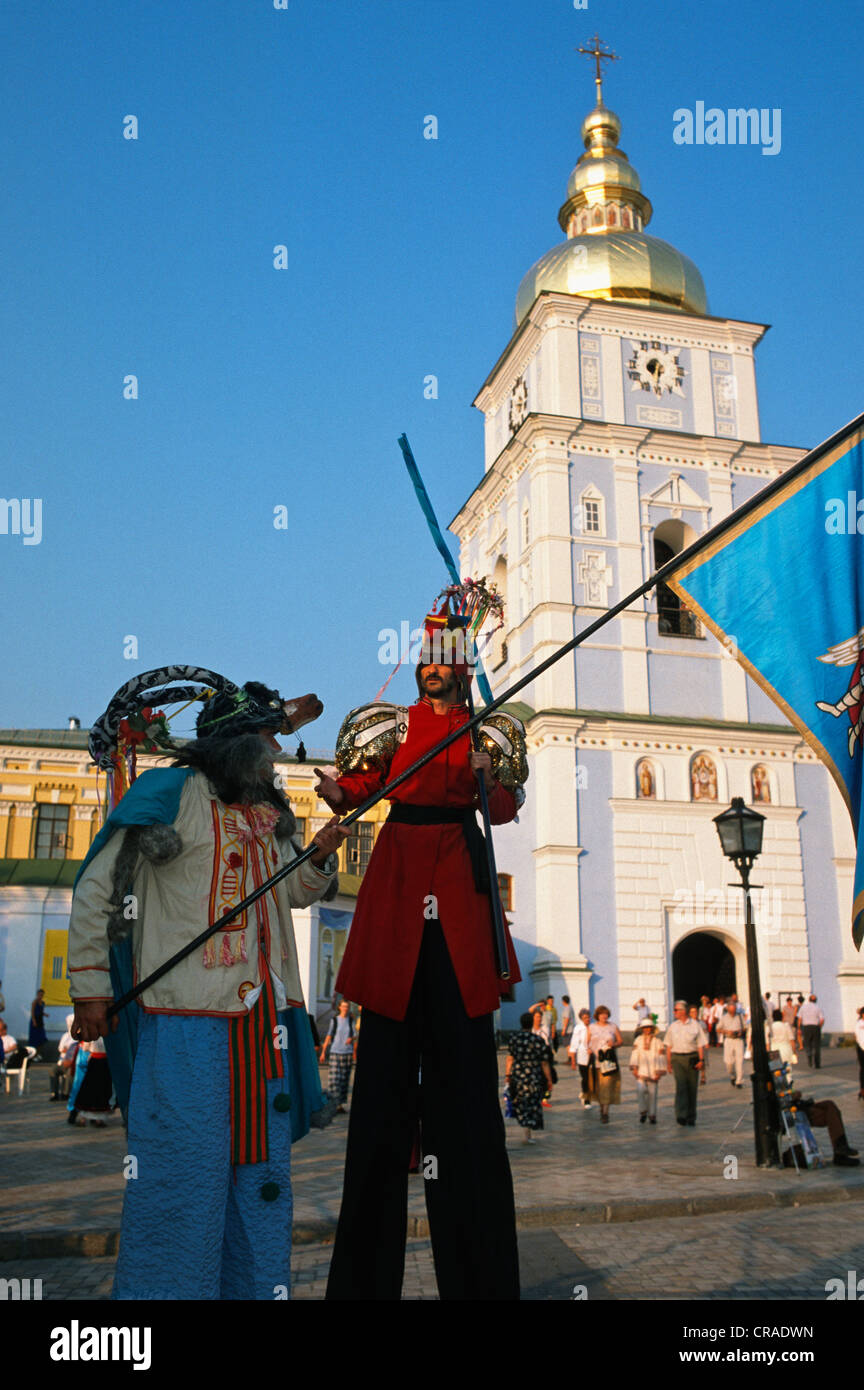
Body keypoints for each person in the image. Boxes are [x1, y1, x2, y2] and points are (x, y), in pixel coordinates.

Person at [68, 668, 344, 1300]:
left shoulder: (269, 812)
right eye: (268, 740)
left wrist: (320, 856)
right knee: (182, 1179)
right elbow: (98, 887)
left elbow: (295, 892)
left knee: (257, 1183)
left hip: (265, 1025)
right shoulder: (168, 793)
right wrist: (90, 987)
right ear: (236, 744)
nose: (276, 753)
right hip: (186, 1020)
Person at [318, 593, 528, 1301]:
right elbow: (358, 785)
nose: (432, 670)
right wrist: (335, 790)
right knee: (379, 1096)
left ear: (463, 666)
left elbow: (501, 808)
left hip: (460, 893)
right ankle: (361, 1285)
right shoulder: (391, 726)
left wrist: (486, 770)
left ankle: (479, 1280)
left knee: (464, 1099)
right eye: (425, 659)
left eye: (445, 660)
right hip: (400, 880)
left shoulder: (485, 732)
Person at [506, 1012, 554, 1144]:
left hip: (518, 1075)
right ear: (532, 1022)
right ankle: (528, 1132)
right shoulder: (536, 1040)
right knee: (532, 1102)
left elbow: (510, 1058)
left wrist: (507, 1075)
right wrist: (549, 1079)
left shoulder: (514, 1039)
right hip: (533, 1075)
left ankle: (526, 1129)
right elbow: (544, 1062)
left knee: (521, 1101)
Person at [664, 1000, 705, 1125]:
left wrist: (701, 1060)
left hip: (692, 1057)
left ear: (683, 1011)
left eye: (676, 1010)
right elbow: (668, 1046)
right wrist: (669, 1062)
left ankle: (691, 1116)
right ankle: (681, 1114)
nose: (674, 1012)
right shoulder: (673, 1026)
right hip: (677, 1058)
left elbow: (700, 1044)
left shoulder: (695, 1025)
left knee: (692, 1087)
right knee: (681, 1086)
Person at [587, 1005, 622, 1124]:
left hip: (608, 1062)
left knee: (606, 1087)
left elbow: (620, 1041)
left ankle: (605, 1113)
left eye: (606, 1014)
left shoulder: (613, 1026)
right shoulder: (591, 1027)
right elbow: (587, 1043)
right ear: (597, 1015)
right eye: (602, 1014)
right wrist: (588, 1050)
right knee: (599, 1088)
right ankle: (602, 1108)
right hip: (596, 1062)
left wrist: (614, 1044)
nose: (604, 1016)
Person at [320, 1000, 356, 1113]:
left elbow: (355, 1034)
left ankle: (339, 1105)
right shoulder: (334, 1020)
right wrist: (323, 1052)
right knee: (334, 1080)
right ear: (339, 1007)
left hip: (347, 1053)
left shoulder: (351, 1021)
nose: (345, 1008)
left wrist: (352, 1039)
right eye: (343, 1006)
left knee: (344, 1080)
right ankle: (332, 1104)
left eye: (347, 1006)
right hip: (335, 1052)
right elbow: (329, 1035)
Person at [629, 1017, 664, 1124]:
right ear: (642, 1029)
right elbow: (635, 1053)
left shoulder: (658, 1041)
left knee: (653, 1093)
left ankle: (652, 1115)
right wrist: (634, 1067)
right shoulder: (638, 1040)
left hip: (653, 1069)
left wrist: (659, 1071)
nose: (647, 1029)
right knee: (640, 1090)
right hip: (641, 1069)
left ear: (652, 1028)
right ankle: (643, 1111)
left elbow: (661, 1056)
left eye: (649, 1027)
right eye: (645, 1028)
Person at [715, 999, 746, 1087]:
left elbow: (745, 1027)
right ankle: (732, 1075)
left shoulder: (740, 1016)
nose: (733, 1012)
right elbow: (717, 1029)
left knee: (739, 1061)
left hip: (738, 1040)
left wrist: (741, 1031)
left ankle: (739, 1081)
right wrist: (726, 1032)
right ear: (728, 1009)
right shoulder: (724, 1018)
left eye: (734, 1010)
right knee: (729, 1062)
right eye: (731, 1010)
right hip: (728, 1040)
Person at [568, 1008, 594, 1107]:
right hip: (582, 1056)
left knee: (592, 1077)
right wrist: (573, 1061)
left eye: (588, 1017)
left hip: (593, 1055)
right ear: (581, 1019)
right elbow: (574, 1044)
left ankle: (585, 1093)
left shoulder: (593, 1027)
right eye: (584, 1018)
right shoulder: (578, 1028)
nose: (587, 1019)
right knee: (585, 1078)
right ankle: (586, 1099)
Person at [50, 1013, 77, 1101]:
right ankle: (54, 1093)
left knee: (70, 1072)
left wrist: (67, 1049)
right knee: (53, 1070)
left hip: (73, 1062)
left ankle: (66, 1093)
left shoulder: (78, 1036)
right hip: (63, 1060)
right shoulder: (65, 1036)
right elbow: (61, 1048)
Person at [797, 995, 825, 1068]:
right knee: (816, 1046)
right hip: (815, 1027)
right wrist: (819, 1027)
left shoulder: (803, 1007)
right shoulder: (818, 1007)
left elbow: (799, 1019)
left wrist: (799, 1028)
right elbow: (822, 1019)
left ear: (809, 1000)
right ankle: (817, 1064)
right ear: (816, 1000)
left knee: (807, 1044)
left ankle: (809, 1058)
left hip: (806, 1027)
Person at [688, 1005, 710, 1085]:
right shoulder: (688, 1023)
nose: (694, 1013)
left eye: (695, 1011)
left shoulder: (701, 1023)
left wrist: (706, 1042)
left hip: (701, 1044)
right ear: (689, 1013)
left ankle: (703, 1076)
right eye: (692, 1012)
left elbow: (706, 1033)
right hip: (692, 1045)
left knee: (702, 1060)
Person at [28, 988, 47, 1057]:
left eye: (42, 995)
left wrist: (45, 1014)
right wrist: (34, 1021)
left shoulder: (43, 1003)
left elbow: (41, 1012)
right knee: (34, 1039)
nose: (40, 996)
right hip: (35, 1021)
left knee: (41, 1039)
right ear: (37, 995)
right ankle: (33, 1054)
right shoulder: (34, 1002)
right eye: (39, 995)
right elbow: (32, 1012)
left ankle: (38, 1053)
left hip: (40, 1021)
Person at [856, 1005, 864, 1101]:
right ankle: (862, 1089)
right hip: (861, 1049)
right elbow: (858, 1037)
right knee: (863, 1069)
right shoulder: (859, 1024)